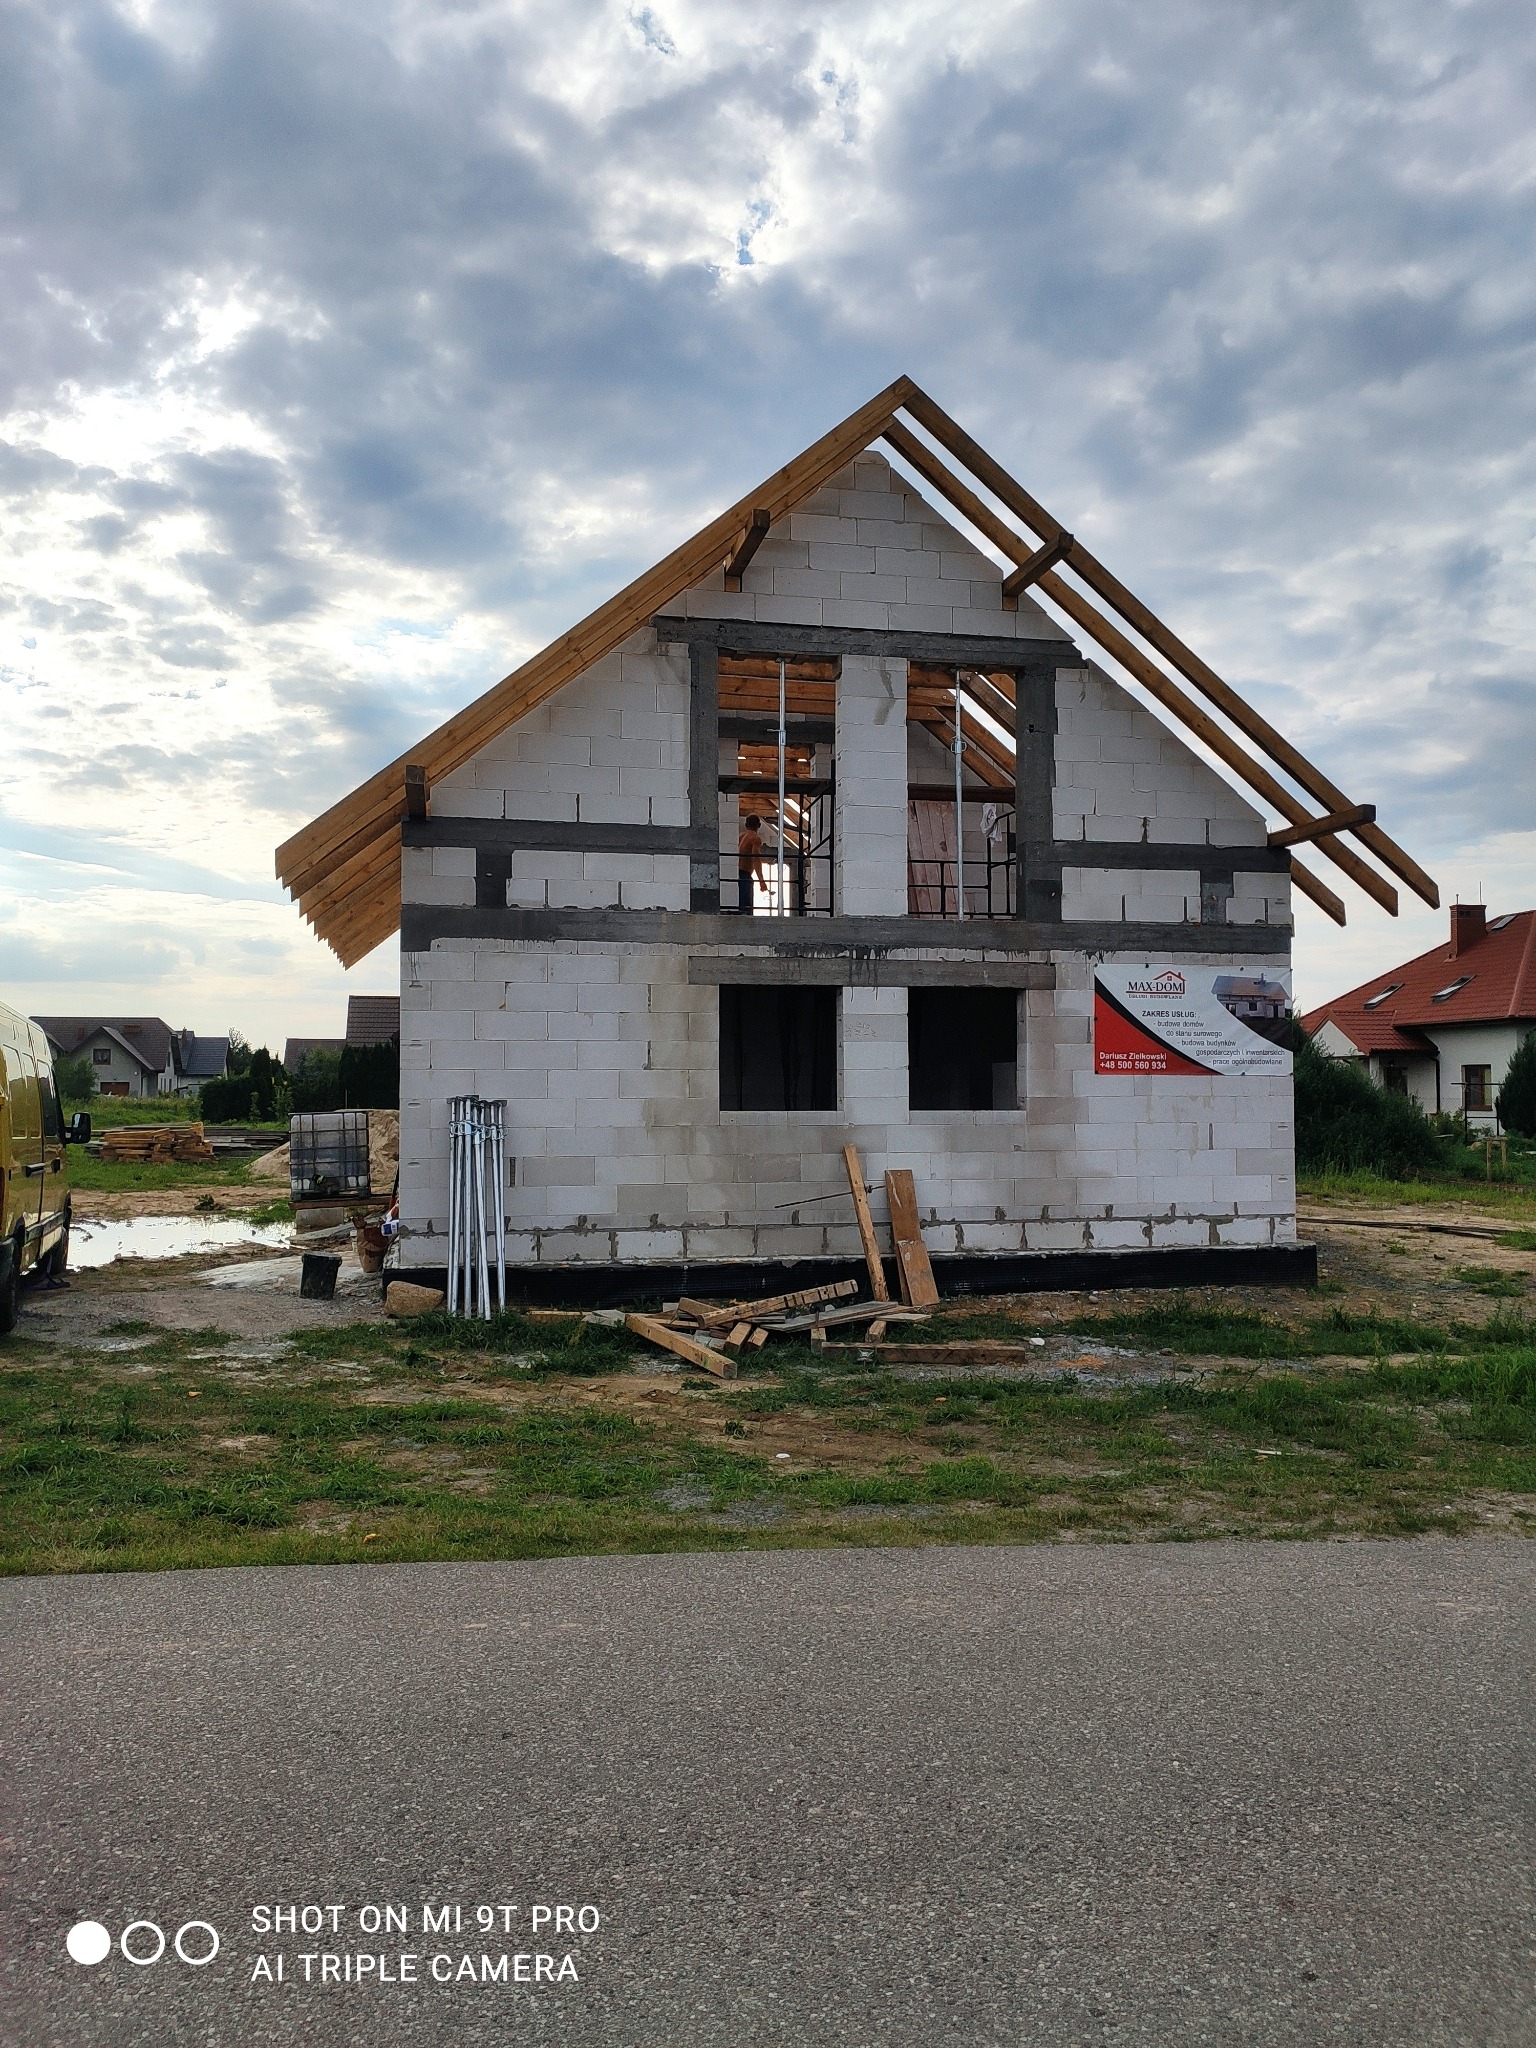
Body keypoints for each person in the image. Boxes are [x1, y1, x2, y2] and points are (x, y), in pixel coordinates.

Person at [737, 813, 765, 913]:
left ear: (746, 825)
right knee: (746, 909)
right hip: (745, 875)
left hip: (737, 874)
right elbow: (756, 859)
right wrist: (761, 881)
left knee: (740, 906)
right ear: (759, 825)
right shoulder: (755, 839)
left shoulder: (741, 837)